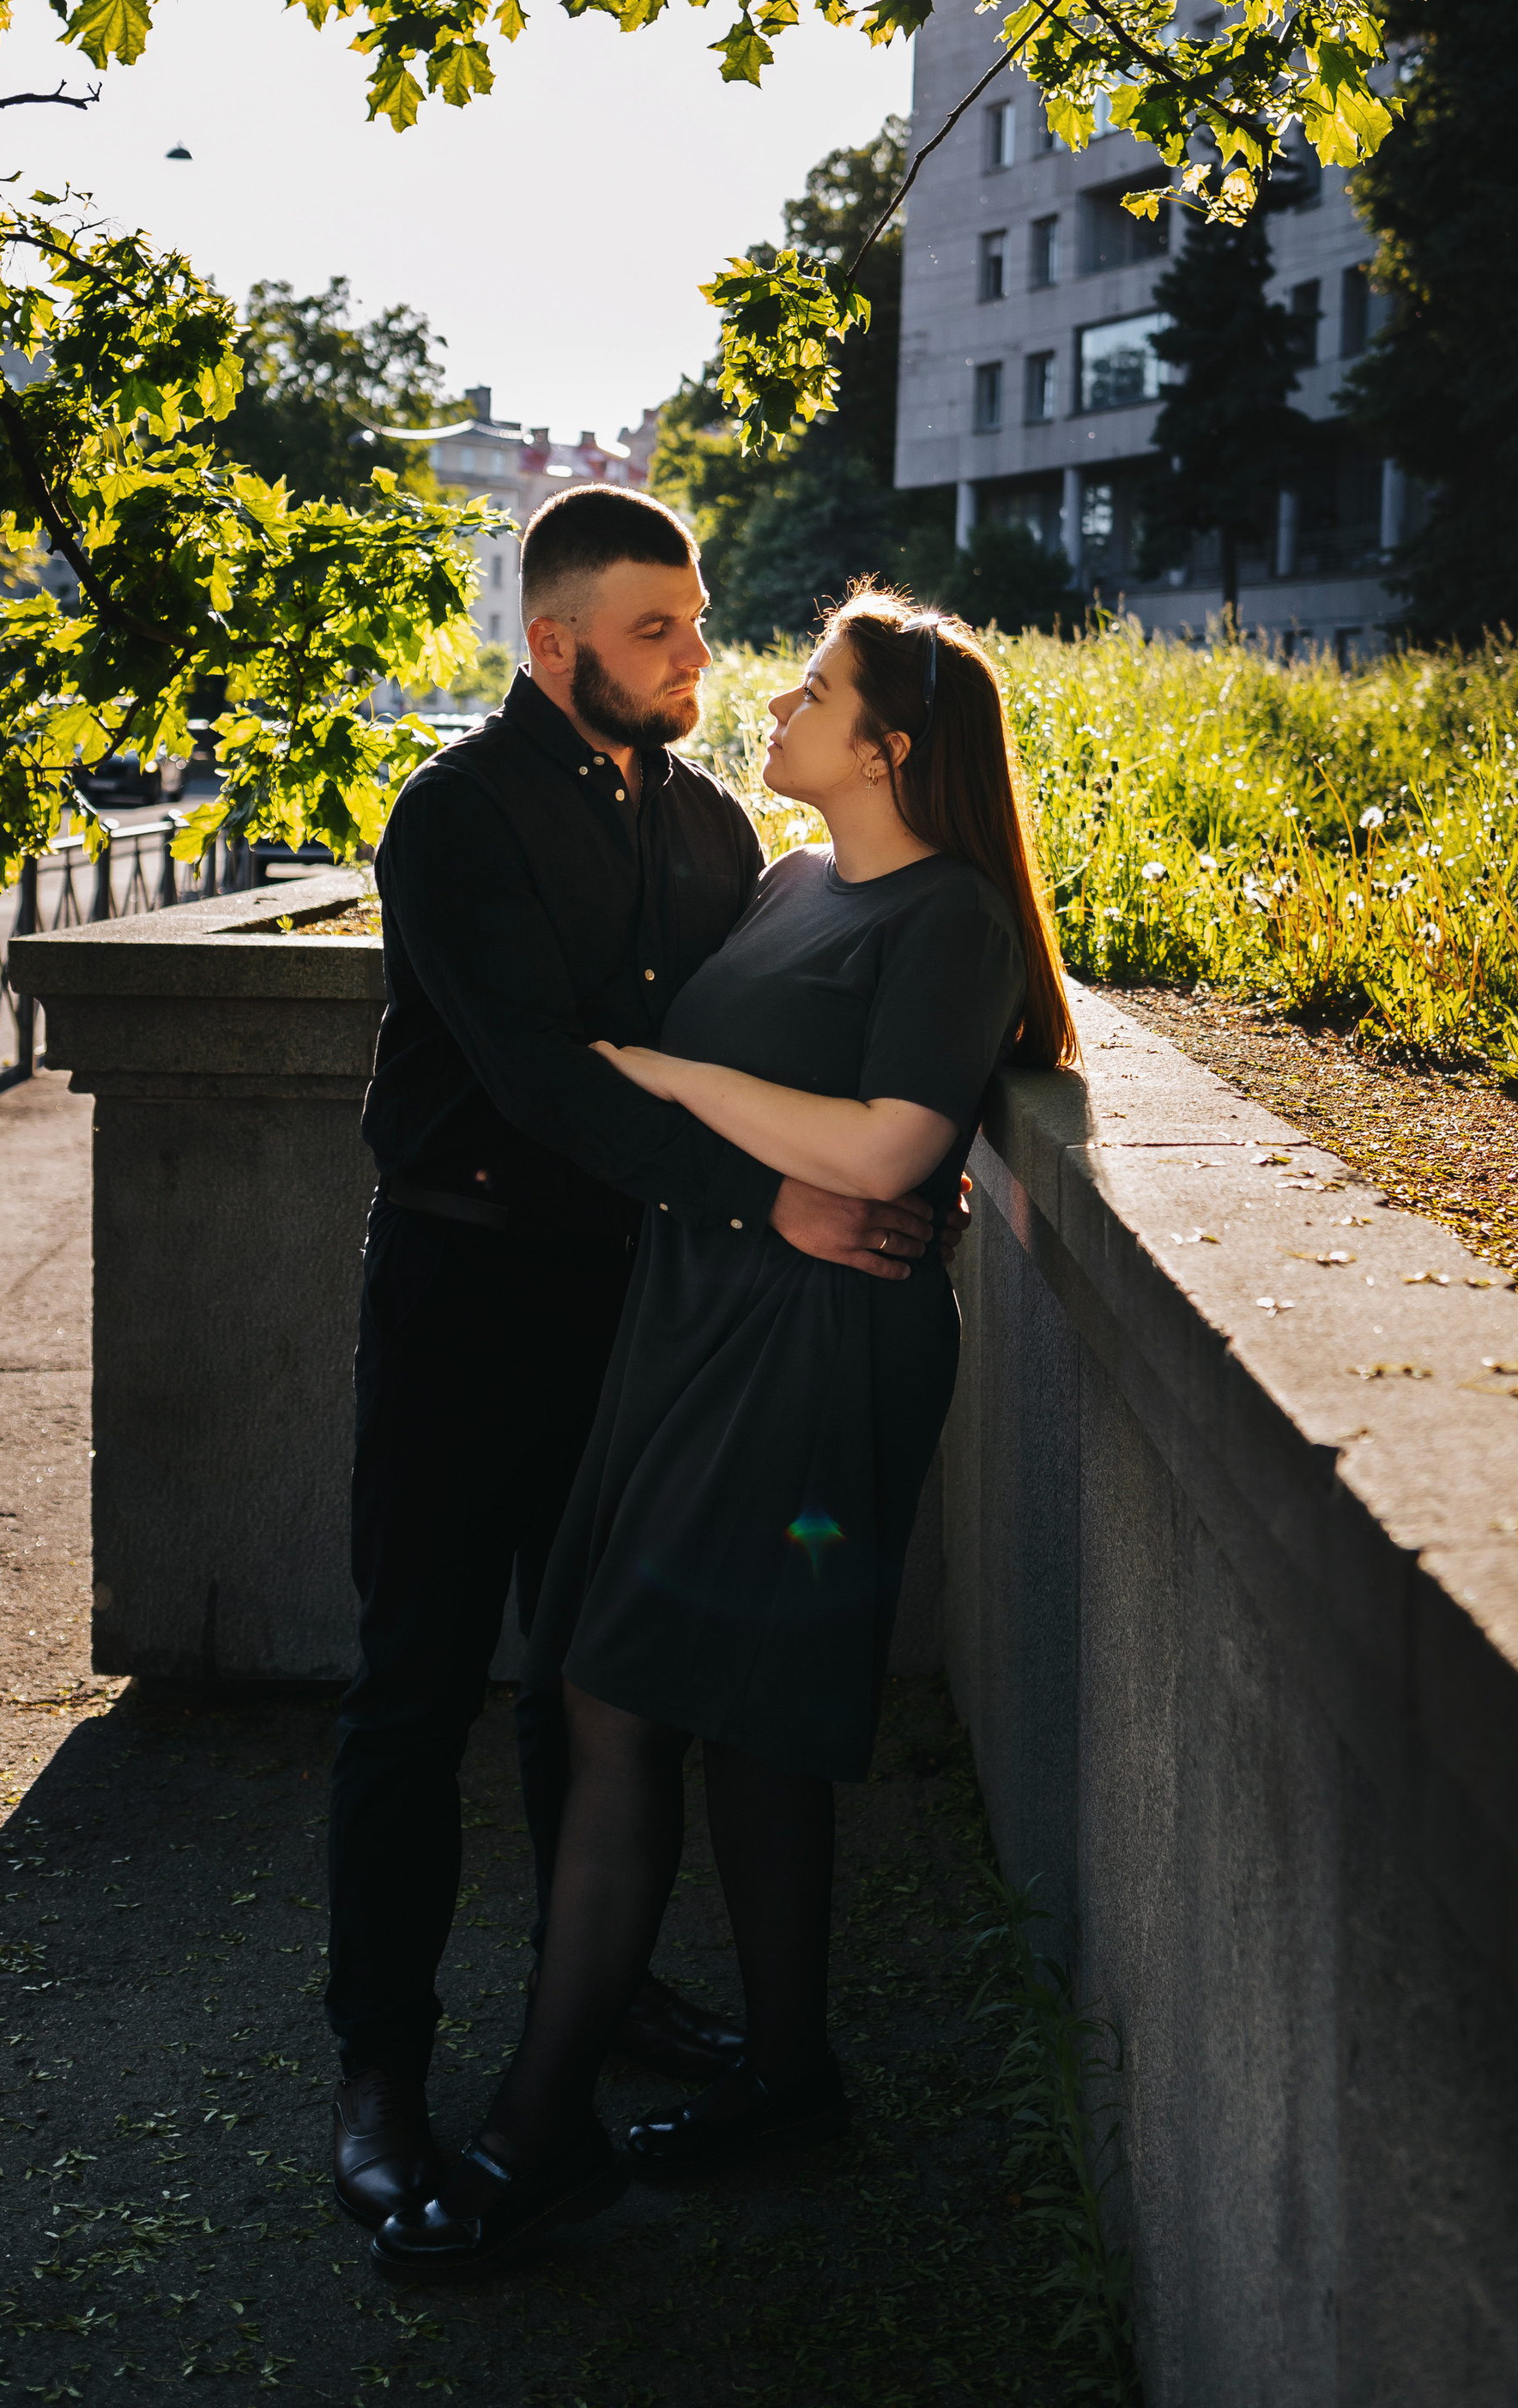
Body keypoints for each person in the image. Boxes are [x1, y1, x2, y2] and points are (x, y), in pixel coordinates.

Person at [372, 588, 1078, 2278]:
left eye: (814, 690)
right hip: (701, 1316)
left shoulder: (951, 916)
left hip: (816, 1342)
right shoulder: (785, 882)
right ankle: (788, 2070)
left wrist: (669, 1078)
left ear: (886, 748)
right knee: (741, 1720)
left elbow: (893, 1150)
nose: (773, 700)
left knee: (617, 1701)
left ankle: (534, 2134)